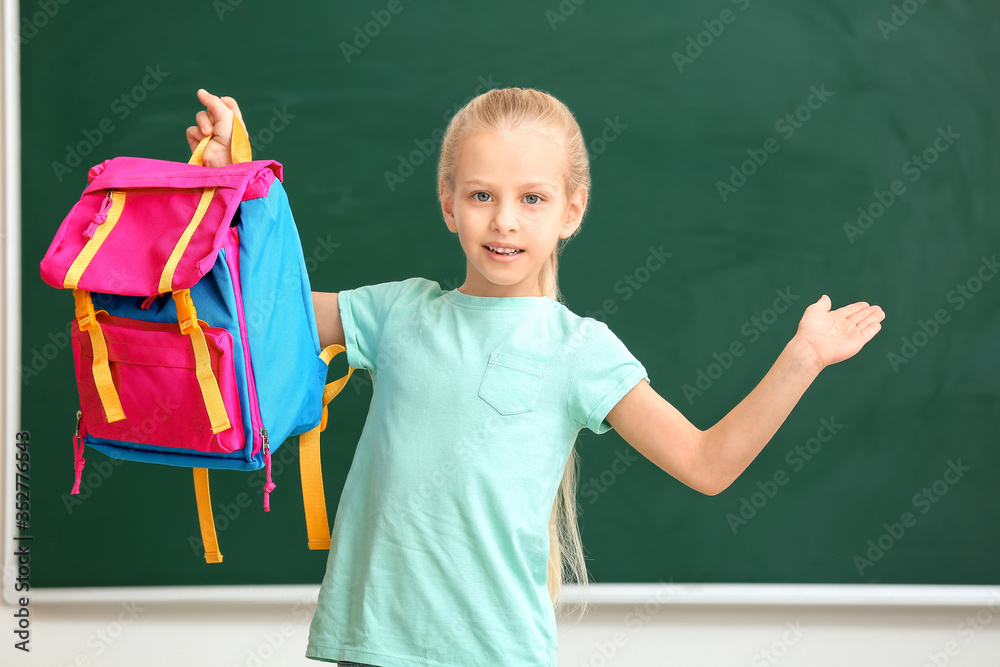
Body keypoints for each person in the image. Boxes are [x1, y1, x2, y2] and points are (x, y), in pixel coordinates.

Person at [187, 86, 885, 667]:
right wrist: (223, 182)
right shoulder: (397, 311)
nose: (504, 221)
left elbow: (708, 463)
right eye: (483, 195)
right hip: (370, 647)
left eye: (532, 199)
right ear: (448, 201)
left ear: (570, 210)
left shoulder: (579, 349)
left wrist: (803, 358)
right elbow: (261, 310)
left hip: (499, 652)